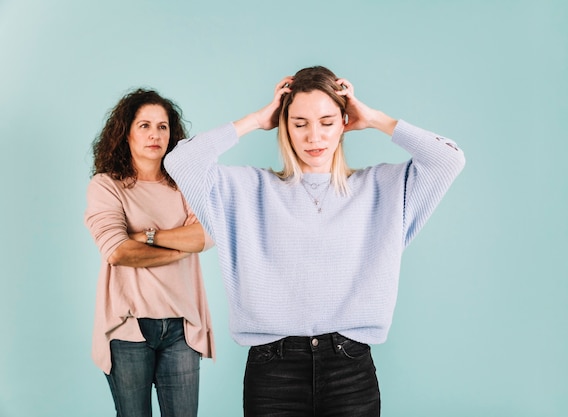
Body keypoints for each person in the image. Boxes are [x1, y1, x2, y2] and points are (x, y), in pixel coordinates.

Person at [165, 66, 465, 416]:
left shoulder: (382, 188)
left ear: (344, 122)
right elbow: (181, 161)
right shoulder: (245, 191)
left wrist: (375, 118)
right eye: (299, 123)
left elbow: (448, 159)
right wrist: (256, 120)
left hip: (350, 369)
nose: (314, 137)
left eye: (326, 121)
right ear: (284, 127)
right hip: (272, 371)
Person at [84, 88, 215, 417]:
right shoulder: (107, 186)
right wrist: (180, 248)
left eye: (163, 126)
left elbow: (208, 234)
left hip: (181, 326)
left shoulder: (185, 184)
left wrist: (150, 236)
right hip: (128, 325)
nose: (155, 134)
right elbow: (118, 250)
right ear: (125, 132)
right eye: (144, 125)